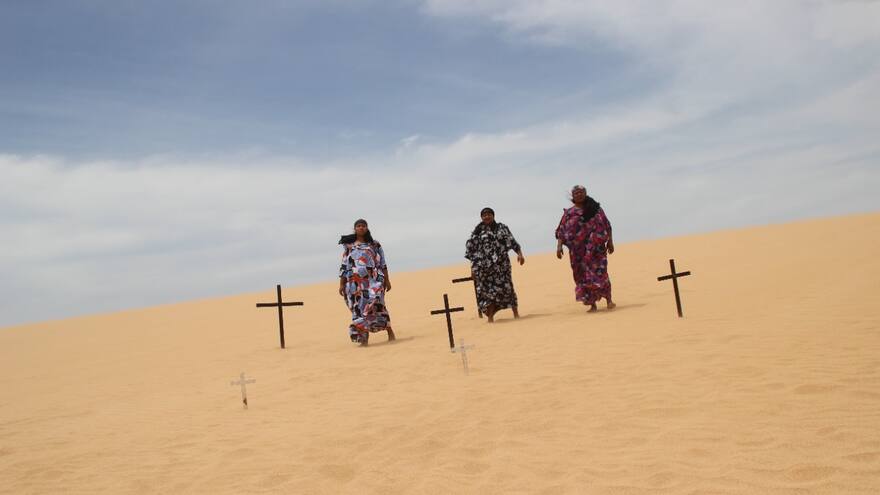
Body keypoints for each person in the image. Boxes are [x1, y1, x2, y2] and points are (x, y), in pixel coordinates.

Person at [555, 185, 616, 312]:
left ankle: (609, 300)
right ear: (573, 196)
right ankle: (592, 304)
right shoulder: (569, 213)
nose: (579, 194)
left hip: (596, 250)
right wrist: (559, 246)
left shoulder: (595, 209)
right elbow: (561, 230)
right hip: (579, 253)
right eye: (576, 193)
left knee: (601, 273)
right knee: (583, 277)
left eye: (581, 192)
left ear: (585, 193)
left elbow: (607, 224)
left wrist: (610, 241)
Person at [338, 219, 395, 346]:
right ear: (355, 229)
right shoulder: (349, 246)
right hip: (355, 284)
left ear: (367, 228)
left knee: (378, 305)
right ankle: (364, 337)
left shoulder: (374, 245)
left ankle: (389, 330)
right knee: (359, 310)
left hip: (373, 282)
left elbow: (383, 263)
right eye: (358, 226)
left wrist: (387, 280)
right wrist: (342, 284)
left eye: (363, 226)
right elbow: (344, 265)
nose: (361, 228)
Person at [465, 207, 525, 323]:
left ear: (493, 215)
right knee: (488, 294)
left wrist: (520, 254)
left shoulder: (502, 228)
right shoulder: (478, 232)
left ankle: (516, 313)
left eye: (489, 214)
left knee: (508, 288)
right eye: (484, 215)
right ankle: (491, 318)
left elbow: (512, 241)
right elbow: (472, 251)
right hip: (485, 269)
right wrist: (472, 268)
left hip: (502, 266)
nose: (487, 216)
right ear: (481, 217)